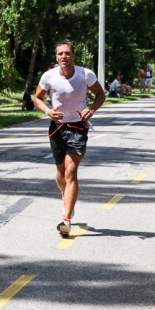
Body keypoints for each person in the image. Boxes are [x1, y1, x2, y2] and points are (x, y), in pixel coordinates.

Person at [34, 39, 106, 237]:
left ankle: (66, 219)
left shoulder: (85, 75)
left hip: (77, 127)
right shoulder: (48, 76)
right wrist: (48, 111)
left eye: (67, 53)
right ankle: (66, 196)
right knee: (60, 172)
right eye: (60, 54)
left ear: (74, 56)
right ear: (56, 57)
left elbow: (100, 94)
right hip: (57, 128)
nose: (64, 57)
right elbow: (37, 98)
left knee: (71, 171)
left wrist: (91, 109)